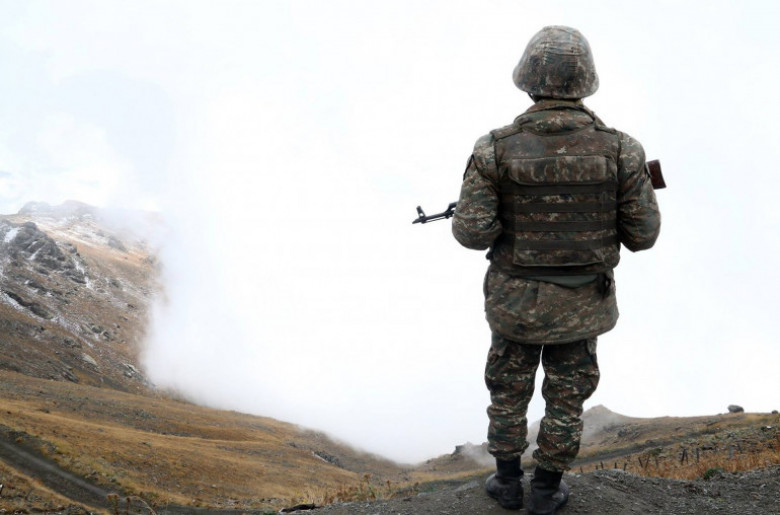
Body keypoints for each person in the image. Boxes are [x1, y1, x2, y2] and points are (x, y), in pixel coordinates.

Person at [452, 26, 661, 514]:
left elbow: (471, 233)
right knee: (567, 398)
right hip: (582, 303)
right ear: (586, 81)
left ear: (527, 80)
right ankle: (546, 491)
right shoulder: (623, 150)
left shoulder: (493, 148)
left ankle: (507, 484)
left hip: (515, 303)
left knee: (508, 391)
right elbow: (643, 235)